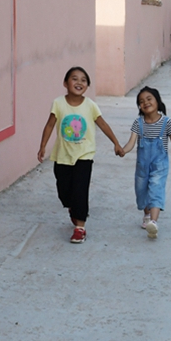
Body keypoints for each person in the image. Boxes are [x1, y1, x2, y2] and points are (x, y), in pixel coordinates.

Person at [37, 67, 125, 244]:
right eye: (74, 78)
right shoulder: (58, 103)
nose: (79, 82)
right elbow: (50, 125)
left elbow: (103, 124)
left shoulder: (90, 105)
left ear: (87, 85)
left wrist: (116, 143)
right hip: (62, 155)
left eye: (83, 80)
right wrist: (43, 146)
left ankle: (80, 228)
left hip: (84, 155)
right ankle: (72, 207)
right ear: (65, 83)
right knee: (64, 190)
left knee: (80, 190)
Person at [119, 87, 171, 238]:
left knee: (156, 189)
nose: (145, 103)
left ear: (158, 101)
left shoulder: (166, 122)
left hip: (160, 165)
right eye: (141, 101)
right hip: (142, 166)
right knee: (141, 191)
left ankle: (154, 221)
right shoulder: (138, 123)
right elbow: (131, 142)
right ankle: (147, 214)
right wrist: (123, 150)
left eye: (149, 99)